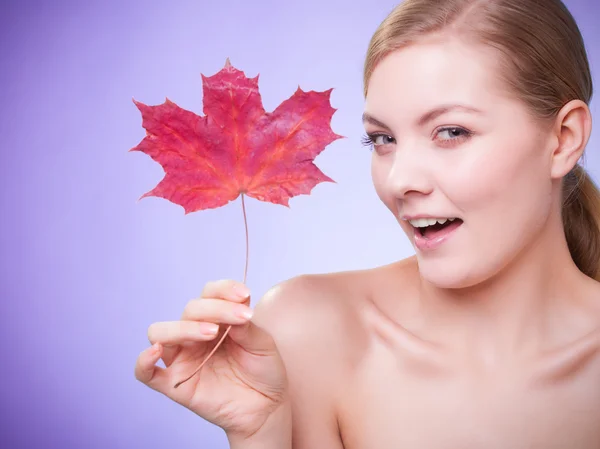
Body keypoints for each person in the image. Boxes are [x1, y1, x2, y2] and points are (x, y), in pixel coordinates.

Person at [134, 0, 600, 447]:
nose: (399, 180)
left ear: (563, 139)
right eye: (382, 139)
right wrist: (259, 437)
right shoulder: (310, 332)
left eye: (451, 132)